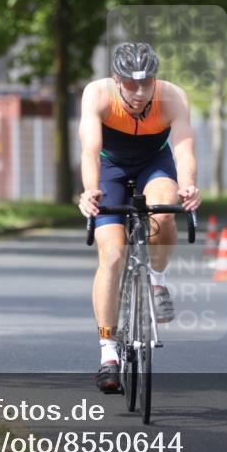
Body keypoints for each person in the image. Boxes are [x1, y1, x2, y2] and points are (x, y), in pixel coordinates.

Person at [77, 43, 201, 393]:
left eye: (146, 82)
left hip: (154, 163)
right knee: (113, 254)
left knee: (164, 208)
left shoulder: (173, 98)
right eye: (130, 83)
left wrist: (189, 186)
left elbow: (184, 150)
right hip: (110, 167)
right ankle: (108, 353)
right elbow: (89, 151)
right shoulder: (97, 94)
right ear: (116, 80)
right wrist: (90, 191)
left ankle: (157, 281)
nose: (139, 91)